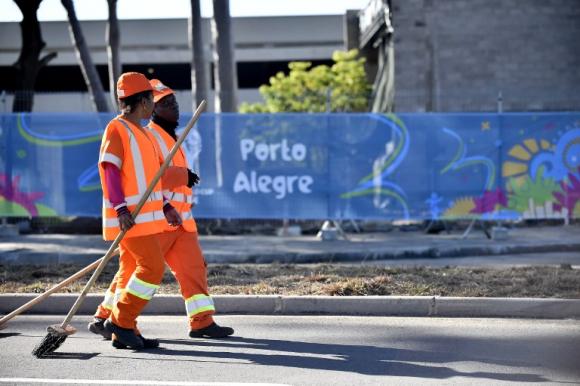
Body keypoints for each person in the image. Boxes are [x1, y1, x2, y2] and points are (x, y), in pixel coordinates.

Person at [89, 78, 233, 347]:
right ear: (145, 103)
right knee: (142, 270)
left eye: (172, 101)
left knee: (182, 268)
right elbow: (110, 170)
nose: (173, 107)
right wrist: (121, 209)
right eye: (163, 102)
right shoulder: (126, 130)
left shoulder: (144, 134)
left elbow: (150, 179)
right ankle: (115, 321)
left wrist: (166, 206)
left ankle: (196, 321)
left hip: (162, 217)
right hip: (136, 219)